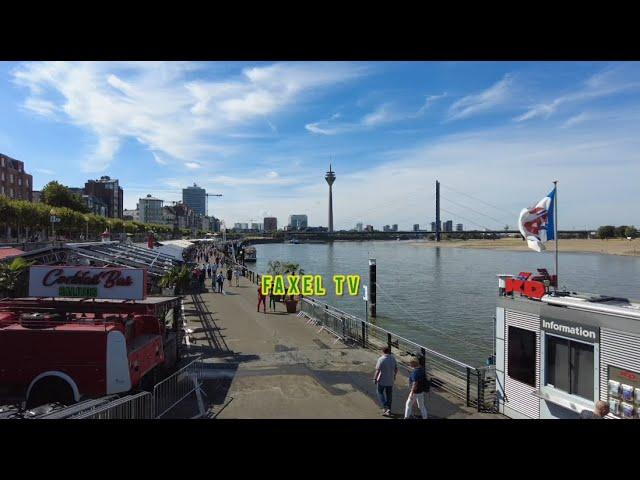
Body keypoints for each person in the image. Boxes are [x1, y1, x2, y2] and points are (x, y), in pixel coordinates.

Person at [374, 347, 397, 416]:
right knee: (389, 395)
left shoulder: (381, 359)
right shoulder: (393, 358)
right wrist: (394, 376)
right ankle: (389, 409)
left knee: (379, 392)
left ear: (383, 351)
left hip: (382, 380)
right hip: (390, 380)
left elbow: (377, 370)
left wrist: (374, 378)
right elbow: (396, 369)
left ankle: (386, 407)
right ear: (389, 351)